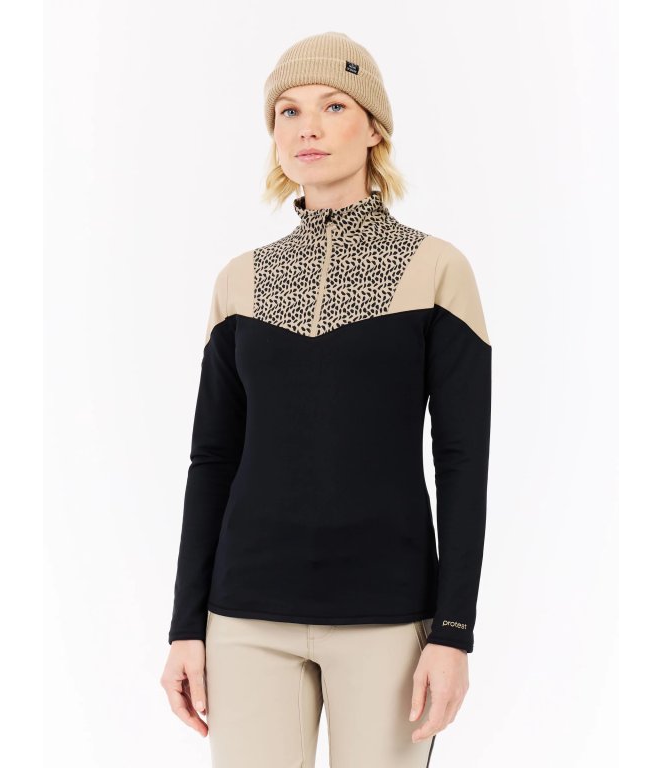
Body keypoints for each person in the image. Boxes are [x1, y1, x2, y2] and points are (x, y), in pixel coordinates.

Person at [159, 31, 492, 768]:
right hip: (245, 618)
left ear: (374, 128)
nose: (307, 127)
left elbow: (462, 460)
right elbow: (212, 461)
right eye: (288, 111)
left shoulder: (437, 270)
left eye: (333, 105)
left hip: (389, 619)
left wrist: (454, 631)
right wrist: (185, 627)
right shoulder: (239, 282)